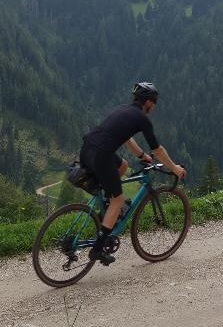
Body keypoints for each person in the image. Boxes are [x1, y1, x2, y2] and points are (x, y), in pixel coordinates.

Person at [78, 81, 187, 265]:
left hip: (87, 149)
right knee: (118, 200)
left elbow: (127, 138)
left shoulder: (123, 109)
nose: (154, 106)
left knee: (123, 165)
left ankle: (106, 212)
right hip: (102, 155)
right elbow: (158, 150)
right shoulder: (142, 119)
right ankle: (98, 249)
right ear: (149, 102)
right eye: (154, 102)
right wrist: (174, 168)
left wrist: (142, 155)